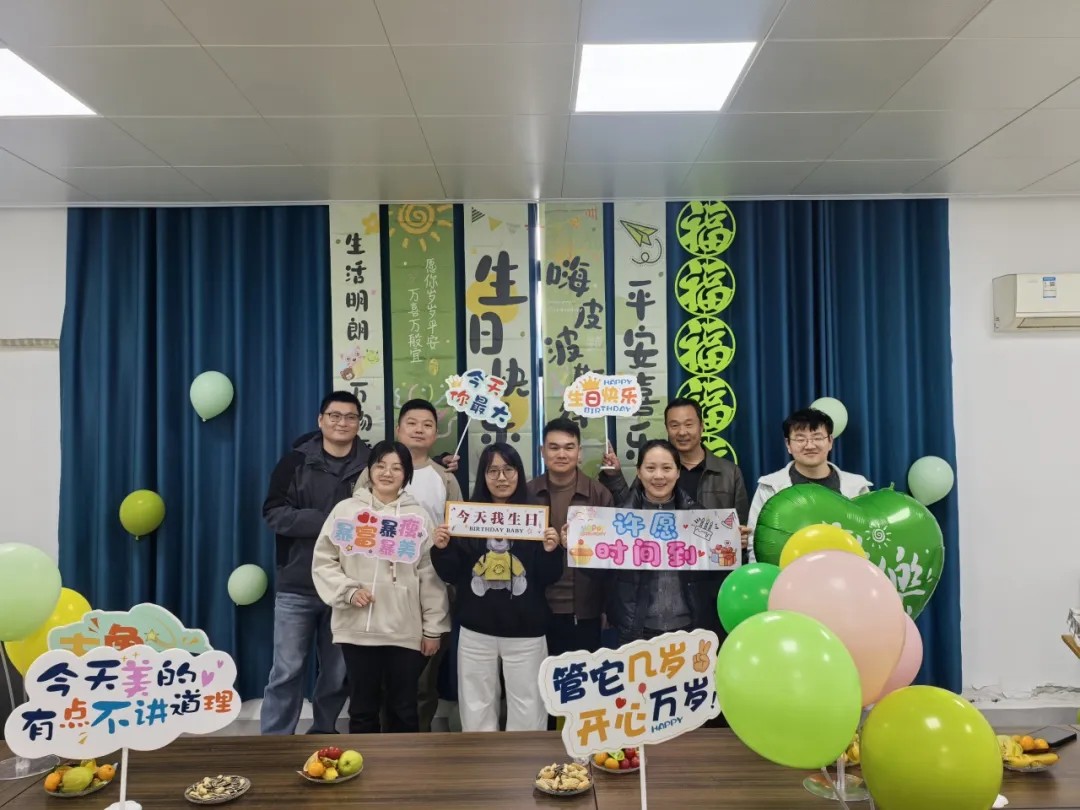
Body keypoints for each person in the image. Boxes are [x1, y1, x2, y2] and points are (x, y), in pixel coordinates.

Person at [312, 440, 450, 734]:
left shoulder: (418, 517)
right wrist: (348, 591)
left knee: (404, 708)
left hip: (404, 630)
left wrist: (433, 628)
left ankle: (403, 765)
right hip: (356, 629)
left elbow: (430, 575)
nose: (388, 473)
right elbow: (324, 561)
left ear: (407, 475)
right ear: (369, 470)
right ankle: (364, 764)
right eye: (381, 465)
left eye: (397, 468)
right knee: (362, 709)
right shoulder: (346, 511)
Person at [430, 443, 563, 732]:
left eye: (508, 469)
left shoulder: (535, 516)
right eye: (492, 471)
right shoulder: (467, 515)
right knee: (476, 707)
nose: (501, 478)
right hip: (476, 629)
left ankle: (524, 761)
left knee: (528, 707)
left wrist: (552, 551)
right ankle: (481, 761)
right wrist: (442, 548)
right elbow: (452, 574)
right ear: (483, 476)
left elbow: (548, 577)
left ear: (519, 473)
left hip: (526, 630)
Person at [261, 391, 370, 735]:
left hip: (348, 586)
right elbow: (273, 513)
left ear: (359, 423)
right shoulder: (294, 462)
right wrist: (329, 522)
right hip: (297, 585)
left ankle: (323, 733)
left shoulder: (372, 463)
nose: (342, 423)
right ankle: (274, 741)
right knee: (287, 670)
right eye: (334, 416)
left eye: (350, 417)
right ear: (320, 420)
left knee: (337, 674)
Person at [393, 399, 462, 732]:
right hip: (384, 589)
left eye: (427, 425)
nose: (419, 430)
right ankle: (383, 745)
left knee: (424, 679)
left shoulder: (444, 478)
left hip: (432, 590)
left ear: (435, 434)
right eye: (412, 423)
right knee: (385, 677)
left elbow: (460, 530)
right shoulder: (376, 472)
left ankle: (419, 742)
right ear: (398, 429)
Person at [605, 440, 715, 644]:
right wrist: (576, 545)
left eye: (666, 468)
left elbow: (716, 573)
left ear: (678, 472)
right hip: (636, 631)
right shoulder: (619, 521)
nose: (658, 476)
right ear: (638, 472)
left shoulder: (699, 519)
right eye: (650, 468)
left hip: (690, 630)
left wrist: (734, 543)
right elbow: (599, 574)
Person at [526, 418, 612, 658]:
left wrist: (607, 607)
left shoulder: (599, 494)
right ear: (542, 451)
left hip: (585, 611)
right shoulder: (527, 494)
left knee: (581, 677)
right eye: (554, 447)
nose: (561, 454)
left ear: (579, 452)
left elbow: (609, 560)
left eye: (569, 447)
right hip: (536, 608)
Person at [747, 407, 872, 544]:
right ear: (788, 444)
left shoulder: (857, 487)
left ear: (830, 441)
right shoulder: (770, 487)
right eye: (800, 439)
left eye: (817, 438)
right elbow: (756, 542)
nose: (810, 446)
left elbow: (868, 537)